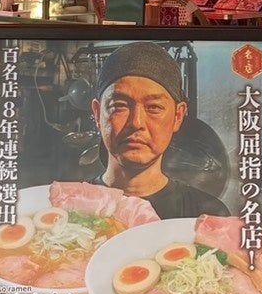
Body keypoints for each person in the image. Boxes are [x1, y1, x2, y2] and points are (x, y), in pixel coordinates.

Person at [90, 42, 227, 219]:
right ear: (97, 114)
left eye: (154, 107)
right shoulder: (68, 207)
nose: (137, 122)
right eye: (119, 106)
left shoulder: (206, 215)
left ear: (178, 116)